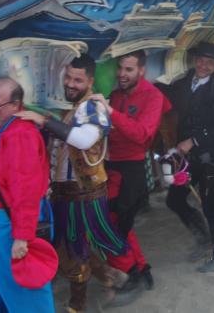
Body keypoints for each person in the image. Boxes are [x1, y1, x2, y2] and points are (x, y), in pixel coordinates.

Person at [15, 54, 127, 312]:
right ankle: (111, 276)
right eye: (68, 77)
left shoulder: (92, 107)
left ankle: (78, 306)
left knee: (73, 251)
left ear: (90, 81)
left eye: (77, 79)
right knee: (72, 247)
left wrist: (44, 120)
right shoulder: (71, 108)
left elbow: (84, 140)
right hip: (66, 193)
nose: (70, 83)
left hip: (82, 194)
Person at [0, 77, 54, 312]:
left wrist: (22, 235)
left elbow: (25, 188)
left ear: (16, 105)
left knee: (24, 292)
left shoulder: (20, 134)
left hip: (5, 228)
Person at [89, 50, 170, 293]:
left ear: (141, 71)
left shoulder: (153, 96)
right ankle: (141, 269)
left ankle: (132, 273)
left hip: (132, 169)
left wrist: (112, 113)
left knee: (116, 225)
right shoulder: (113, 94)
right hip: (110, 167)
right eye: (120, 69)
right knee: (118, 222)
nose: (122, 74)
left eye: (129, 70)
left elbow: (142, 135)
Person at [164, 42, 214, 272]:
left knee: (212, 206)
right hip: (187, 158)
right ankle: (203, 237)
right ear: (195, 60)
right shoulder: (183, 84)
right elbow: (167, 101)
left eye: (209, 62)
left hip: (210, 157)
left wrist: (192, 141)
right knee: (174, 199)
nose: (203, 65)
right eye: (200, 60)